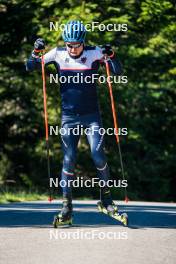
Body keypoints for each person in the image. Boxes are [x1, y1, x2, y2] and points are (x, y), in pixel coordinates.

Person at [26, 20, 123, 225]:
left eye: (76, 45)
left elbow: (117, 71)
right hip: (69, 118)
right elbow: (30, 66)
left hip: (91, 117)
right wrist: (36, 52)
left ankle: (106, 200)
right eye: (69, 44)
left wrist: (111, 55)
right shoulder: (58, 54)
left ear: (83, 42)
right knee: (69, 158)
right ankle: (67, 208)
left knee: (98, 155)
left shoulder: (95, 53)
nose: (72, 49)